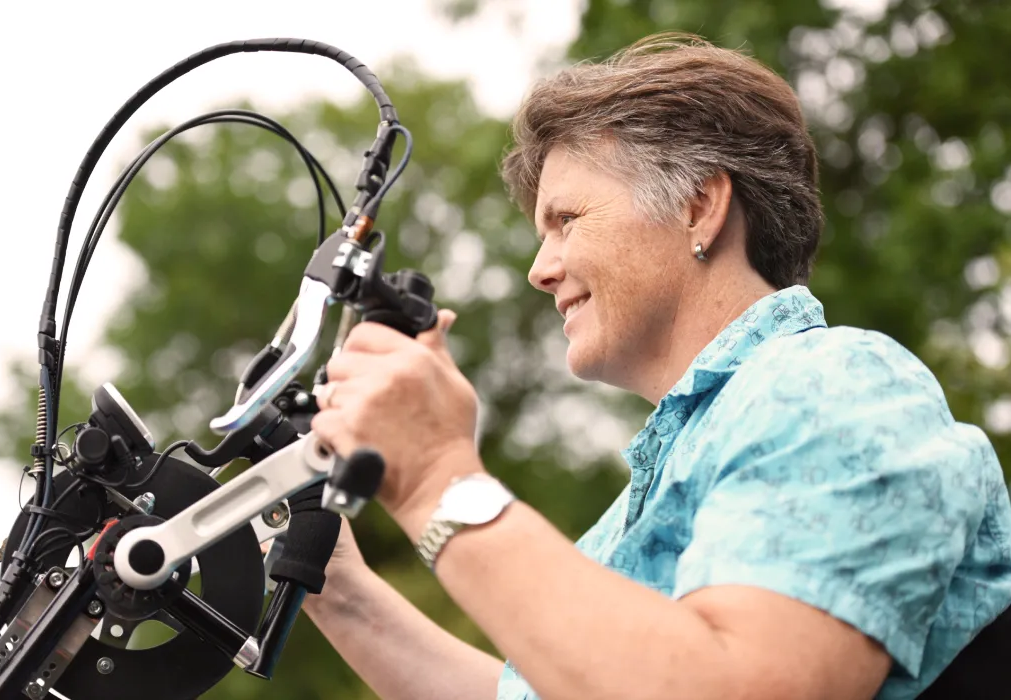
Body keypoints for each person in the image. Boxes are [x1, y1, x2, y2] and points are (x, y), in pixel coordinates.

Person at [304, 33, 1011, 699]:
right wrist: (335, 590)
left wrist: (435, 474)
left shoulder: (834, 384)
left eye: (567, 220)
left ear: (700, 206)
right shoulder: (652, 491)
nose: (538, 270)